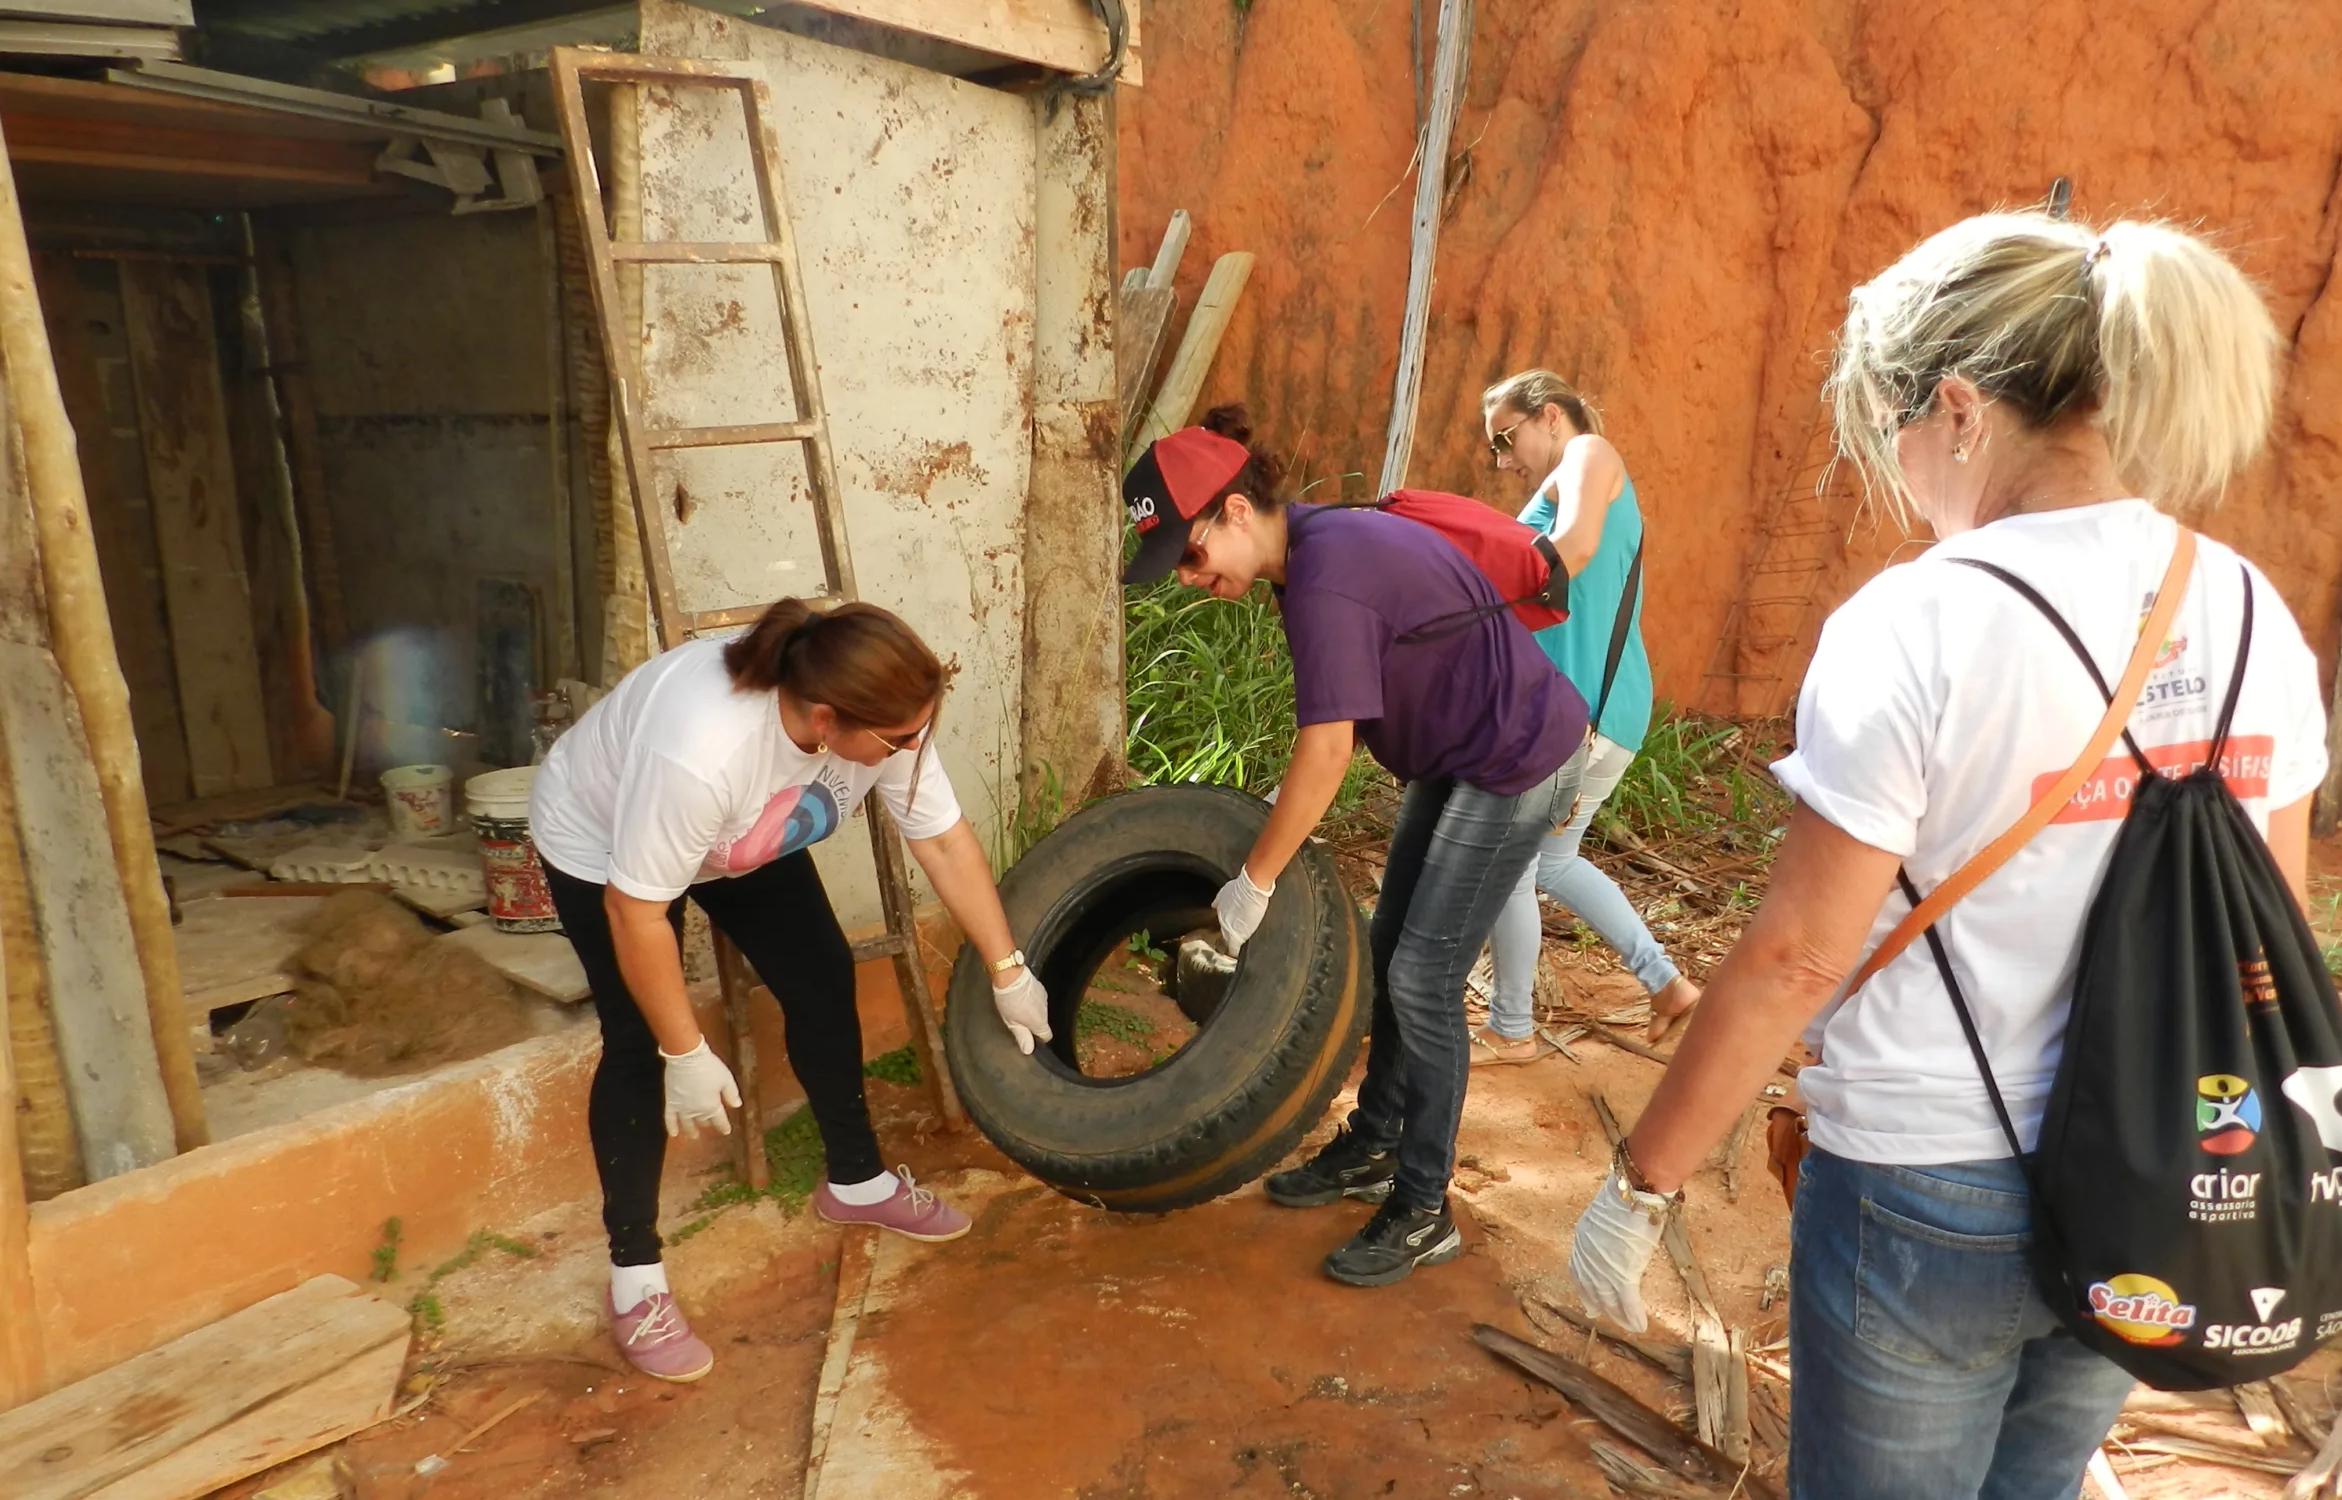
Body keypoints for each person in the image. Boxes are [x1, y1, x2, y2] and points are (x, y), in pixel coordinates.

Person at [1563, 214, 2327, 1500]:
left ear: (1960, 407)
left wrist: (1643, 1182)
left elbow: (1794, 958)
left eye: (1893, 429)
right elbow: (2283, 936)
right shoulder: (2250, 607)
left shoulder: (1916, 621)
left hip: (1925, 1185)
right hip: (2152, 1182)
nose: (1898, 468)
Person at [1120, 406, 1589, 1286]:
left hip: (1516, 762)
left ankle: (1422, 1208)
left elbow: (1328, 751)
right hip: (1462, 758)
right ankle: (1374, 1145)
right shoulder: (1315, 552)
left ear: (1233, 512)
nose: (1189, 579)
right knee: (1391, 957)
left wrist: (1252, 883)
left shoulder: (1325, 576)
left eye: (1188, 555)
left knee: (1424, 978)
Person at [531, 598, 1053, 1382]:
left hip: (741, 839)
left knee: (821, 976)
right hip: (601, 841)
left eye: (922, 729)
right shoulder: (705, 751)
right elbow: (633, 911)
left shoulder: (883, 718)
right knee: (638, 1041)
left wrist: (1010, 969)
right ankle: (635, 1277)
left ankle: (857, 1179)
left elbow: (941, 840)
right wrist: (686, 1049)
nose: (915, 748)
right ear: (822, 720)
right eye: (899, 740)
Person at [1473, 369, 1700, 1063]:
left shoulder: (1589, 456)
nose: (1504, 461)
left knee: (1510, 866)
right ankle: (1666, 984)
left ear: (1548, 417)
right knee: (1551, 862)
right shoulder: (1567, 473)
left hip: (1582, 717)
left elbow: (1573, 547)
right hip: (1598, 710)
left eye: (1506, 440)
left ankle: (1511, 1028)